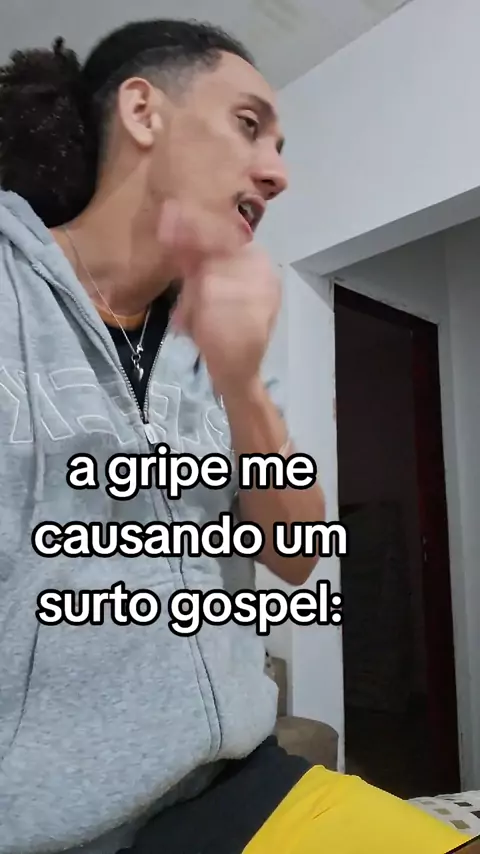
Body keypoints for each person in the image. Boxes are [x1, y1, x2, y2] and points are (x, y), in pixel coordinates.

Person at [0, 18, 472, 854]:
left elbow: (293, 558)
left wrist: (245, 383)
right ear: (143, 112)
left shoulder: (201, 342)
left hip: (239, 784)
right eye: (248, 125)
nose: (277, 173)